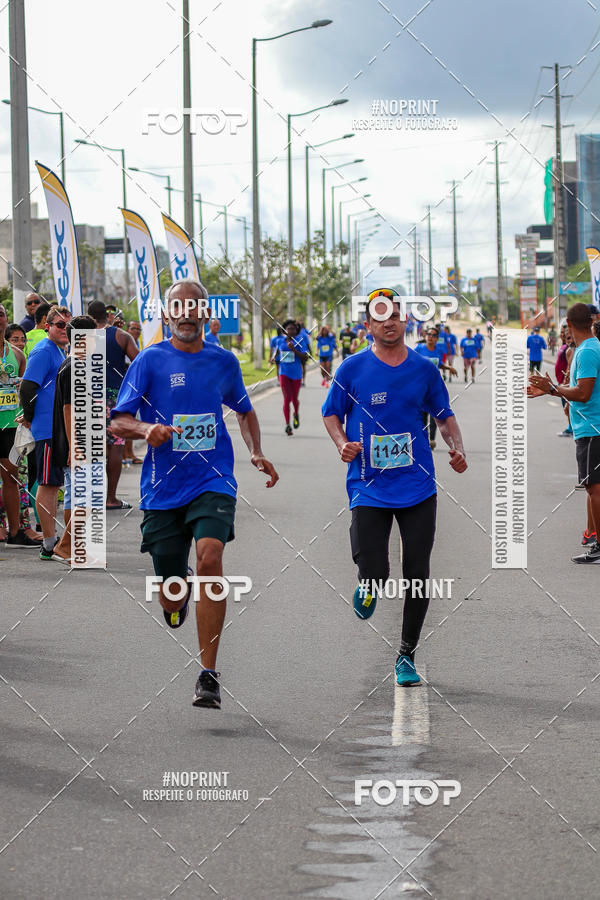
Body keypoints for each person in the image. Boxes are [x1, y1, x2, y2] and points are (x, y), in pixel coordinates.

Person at [110, 279, 279, 709]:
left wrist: (256, 451)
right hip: (163, 487)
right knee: (170, 590)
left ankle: (208, 674)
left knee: (210, 557)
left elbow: (244, 411)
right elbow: (118, 420)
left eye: (194, 306)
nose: (186, 313)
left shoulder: (223, 361)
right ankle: (177, 588)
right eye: (178, 307)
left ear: (206, 313)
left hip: (212, 478)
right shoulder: (149, 360)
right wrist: (147, 429)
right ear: (167, 314)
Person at [322, 288, 467, 687]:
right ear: (368, 325)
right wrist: (341, 443)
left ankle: (406, 654)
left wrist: (456, 447)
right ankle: (368, 582)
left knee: (417, 572)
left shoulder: (424, 369)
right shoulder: (351, 368)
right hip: (368, 483)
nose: (389, 321)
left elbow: (444, 416)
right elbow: (331, 414)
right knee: (375, 569)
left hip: (417, 485)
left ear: (406, 320)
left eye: (396, 314)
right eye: (380, 316)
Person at [528, 302, 600, 564]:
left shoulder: (588, 350)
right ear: (591, 321)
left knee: (594, 487)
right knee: (592, 487)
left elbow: (583, 393)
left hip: (593, 428)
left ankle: (598, 546)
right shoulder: (587, 348)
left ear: (569, 324)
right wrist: (554, 390)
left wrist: (552, 389)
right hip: (589, 428)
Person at [19, 305, 71, 559]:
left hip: (59, 428)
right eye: (60, 325)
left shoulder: (61, 350)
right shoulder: (43, 351)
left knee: (55, 483)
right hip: (48, 429)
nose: (65, 329)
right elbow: (27, 388)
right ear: (47, 326)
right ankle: (49, 543)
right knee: (48, 484)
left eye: (69, 326)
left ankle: (55, 540)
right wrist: (30, 418)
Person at [50, 314, 98, 563]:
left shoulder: (72, 364)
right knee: (85, 496)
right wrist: (75, 446)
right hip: (76, 441)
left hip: (75, 440)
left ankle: (72, 547)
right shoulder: (74, 367)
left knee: (75, 496)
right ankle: (67, 545)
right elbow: (69, 409)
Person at [87, 300, 138, 510]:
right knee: (116, 446)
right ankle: (110, 498)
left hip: (88, 398)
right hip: (115, 398)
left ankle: (93, 497)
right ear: (107, 315)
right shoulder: (122, 336)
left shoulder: (82, 337)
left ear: (90, 316)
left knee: (93, 448)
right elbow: (139, 363)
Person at [0, 302, 38, 547]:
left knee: (11, 477)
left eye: (1, 314)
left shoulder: (16, 354)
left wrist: (27, 417)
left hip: (10, 425)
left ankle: (15, 531)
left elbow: (25, 390)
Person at [414, 327, 458, 448]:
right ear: (425, 336)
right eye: (429, 334)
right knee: (423, 415)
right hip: (421, 388)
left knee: (435, 415)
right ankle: (424, 439)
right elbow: (410, 362)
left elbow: (439, 364)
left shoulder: (439, 350)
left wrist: (449, 368)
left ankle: (432, 439)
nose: (430, 337)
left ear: (437, 338)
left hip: (434, 388)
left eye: (433, 335)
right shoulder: (419, 349)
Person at [273, 319, 308, 435]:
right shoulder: (280, 341)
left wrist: (294, 350)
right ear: (284, 330)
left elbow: (305, 357)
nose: (291, 331)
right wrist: (273, 359)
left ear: (296, 330)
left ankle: (296, 413)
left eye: (293, 329)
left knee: (294, 399)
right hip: (284, 373)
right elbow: (277, 354)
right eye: (288, 329)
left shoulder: (300, 341)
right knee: (286, 399)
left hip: (296, 374)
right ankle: (288, 424)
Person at [556, 320, 573, 438]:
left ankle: (571, 428)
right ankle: (570, 427)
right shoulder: (564, 346)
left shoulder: (571, 348)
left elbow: (569, 368)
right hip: (562, 383)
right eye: (561, 332)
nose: (562, 335)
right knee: (566, 408)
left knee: (569, 407)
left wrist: (565, 382)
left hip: (566, 384)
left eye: (565, 333)